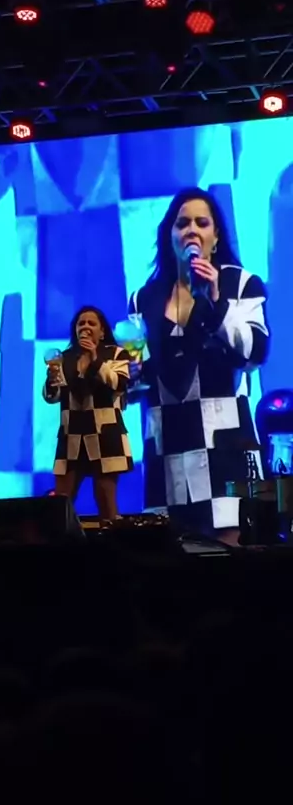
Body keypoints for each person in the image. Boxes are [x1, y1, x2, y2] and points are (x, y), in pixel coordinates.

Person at [129, 189, 270, 542]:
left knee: (229, 552)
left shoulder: (241, 284)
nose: (191, 230)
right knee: (170, 557)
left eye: (201, 223)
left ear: (216, 235)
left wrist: (215, 300)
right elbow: (138, 375)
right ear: (170, 235)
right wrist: (127, 376)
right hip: (166, 449)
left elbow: (254, 352)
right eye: (182, 223)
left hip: (225, 444)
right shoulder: (144, 298)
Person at [43, 306, 133, 522]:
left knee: (107, 505)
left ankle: (112, 541)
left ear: (102, 332)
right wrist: (51, 380)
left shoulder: (116, 354)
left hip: (106, 436)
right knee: (60, 506)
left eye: (91, 323)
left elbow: (119, 384)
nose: (85, 327)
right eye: (80, 323)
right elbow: (52, 397)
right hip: (71, 436)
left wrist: (94, 359)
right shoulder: (63, 358)